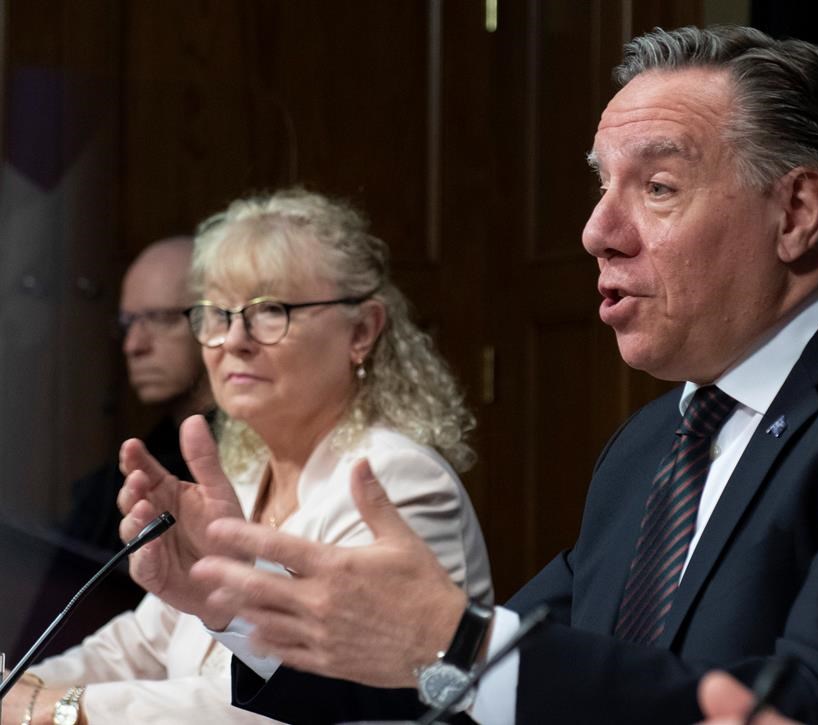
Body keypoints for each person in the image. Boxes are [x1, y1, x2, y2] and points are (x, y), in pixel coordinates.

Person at [120, 25, 818, 724]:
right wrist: (250, 613)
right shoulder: (650, 446)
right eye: (601, 187)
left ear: (795, 212)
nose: (597, 230)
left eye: (657, 187)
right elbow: (455, 685)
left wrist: (459, 643)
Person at [4, 189, 492, 725]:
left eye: (270, 312)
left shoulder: (396, 480)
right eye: (216, 314)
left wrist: (59, 711)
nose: (234, 340)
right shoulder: (241, 476)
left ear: (361, 330)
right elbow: (135, 646)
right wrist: (25, 687)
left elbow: (300, 709)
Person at [64, 236, 214, 557]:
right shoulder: (115, 479)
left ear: (216, 319)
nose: (133, 345)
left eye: (161, 318)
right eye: (128, 322)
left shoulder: (244, 458)